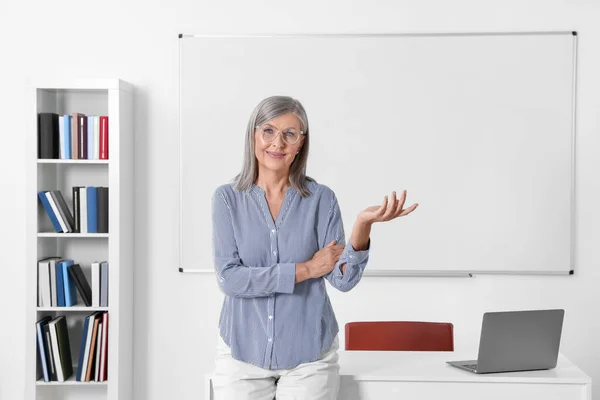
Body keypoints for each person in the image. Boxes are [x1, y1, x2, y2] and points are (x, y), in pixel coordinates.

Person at [211, 95, 418, 400]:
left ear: (301, 143)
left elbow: (342, 280)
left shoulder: (321, 199)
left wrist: (362, 225)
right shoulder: (227, 198)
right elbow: (230, 278)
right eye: (268, 131)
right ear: (253, 135)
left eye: (290, 134)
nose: (277, 143)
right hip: (242, 352)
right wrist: (306, 269)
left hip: (309, 356)